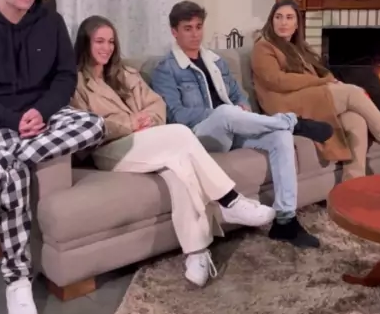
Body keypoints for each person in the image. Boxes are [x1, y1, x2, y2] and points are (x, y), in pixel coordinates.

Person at [72, 16, 276, 289]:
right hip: (111, 149)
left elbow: (157, 104)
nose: (106, 48)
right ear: (85, 43)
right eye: (99, 41)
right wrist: (129, 124)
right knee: (180, 133)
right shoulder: (76, 83)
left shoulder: (126, 74)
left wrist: (148, 120)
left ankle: (197, 252)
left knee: (177, 172)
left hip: (148, 140)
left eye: (110, 42)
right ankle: (230, 200)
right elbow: (85, 125)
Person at [0, 0, 105, 314]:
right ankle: (17, 280)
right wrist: (12, 120)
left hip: (42, 118)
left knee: (94, 125)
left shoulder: (50, 22)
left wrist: (42, 111)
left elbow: (65, 77)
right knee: (15, 179)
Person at [152, 1, 333, 250]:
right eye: (187, 28)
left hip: (233, 129)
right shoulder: (166, 70)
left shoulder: (216, 61)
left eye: (198, 27)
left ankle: (285, 221)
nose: (195, 34)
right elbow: (177, 116)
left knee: (280, 137)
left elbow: (239, 95)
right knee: (226, 112)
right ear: (174, 31)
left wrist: (243, 106)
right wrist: (225, 113)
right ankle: (292, 121)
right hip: (200, 136)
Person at [251, 0, 380, 181]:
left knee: (356, 120)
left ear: (297, 24)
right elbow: (277, 81)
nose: (283, 22)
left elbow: (321, 73)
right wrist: (322, 82)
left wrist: (330, 81)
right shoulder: (263, 46)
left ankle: (353, 185)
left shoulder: (298, 48)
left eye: (289, 18)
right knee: (353, 92)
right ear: (271, 21)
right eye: (278, 17)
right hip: (283, 103)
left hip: (304, 96)